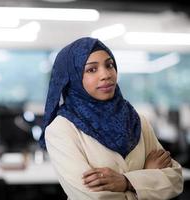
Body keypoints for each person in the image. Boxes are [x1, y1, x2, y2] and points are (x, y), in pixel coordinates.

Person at [39, 37, 183, 200]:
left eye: (109, 65)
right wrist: (147, 179)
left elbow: (176, 179)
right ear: (72, 78)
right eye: (92, 70)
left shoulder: (137, 120)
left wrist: (126, 182)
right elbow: (92, 198)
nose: (106, 74)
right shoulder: (61, 130)